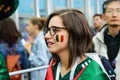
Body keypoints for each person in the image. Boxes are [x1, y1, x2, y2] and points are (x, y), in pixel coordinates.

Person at [44, 9, 109, 80]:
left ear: (75, 33)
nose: (47, 36)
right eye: (48, 30)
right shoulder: (53, 68)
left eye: (55, 30)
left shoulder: (94, 74)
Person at [93, 0, 120, 80]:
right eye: (110, 11)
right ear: (104, 16)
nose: (114, 15)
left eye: (118, 11)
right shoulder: (95, 41)